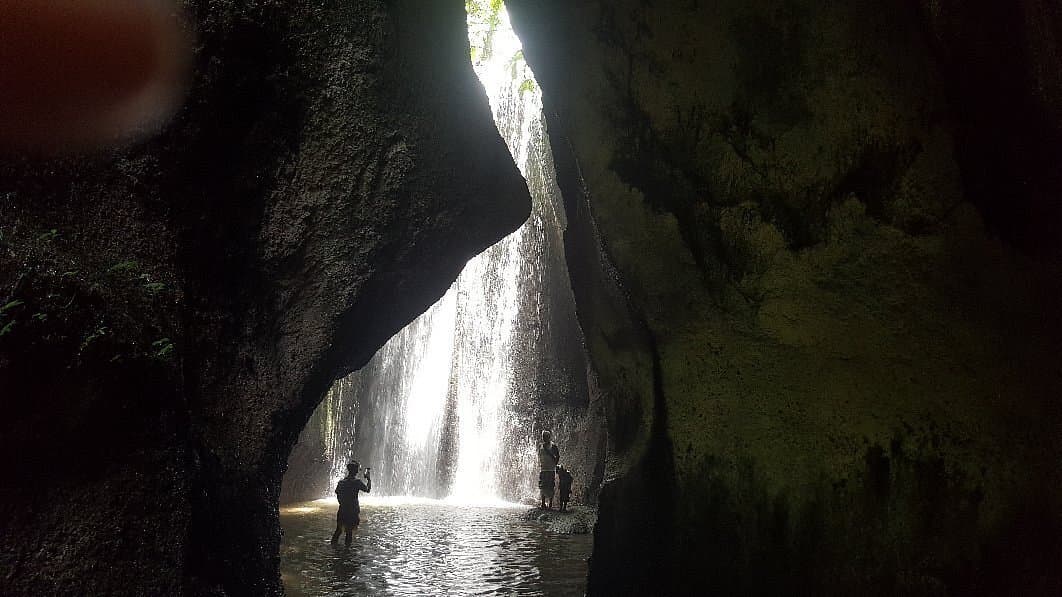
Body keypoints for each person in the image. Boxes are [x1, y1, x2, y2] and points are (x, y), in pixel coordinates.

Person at [331, 461, 371, 546]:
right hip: (352, 510)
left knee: (338, 530)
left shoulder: (341, 482)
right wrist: (368, 479)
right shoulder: (357, 482)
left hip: (342, 509)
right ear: (355, 471)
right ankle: (347, 553)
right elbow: (367, 490)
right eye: (357, 469)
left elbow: (337, 493)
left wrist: (342, 503)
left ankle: (333, 548)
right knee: (349, 532)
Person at [537, 430, 560, 509]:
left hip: (550, 469)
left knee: (550, 486)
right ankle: (543, 503)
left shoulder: (553, 446)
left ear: (549, 437)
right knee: (542, 485)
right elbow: (539, 456)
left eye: (546, 436)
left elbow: (557, 456)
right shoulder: (541, 446)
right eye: (543, 436)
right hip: (543, 469)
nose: (544, 438)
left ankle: (550, 503)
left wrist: (554, 464)